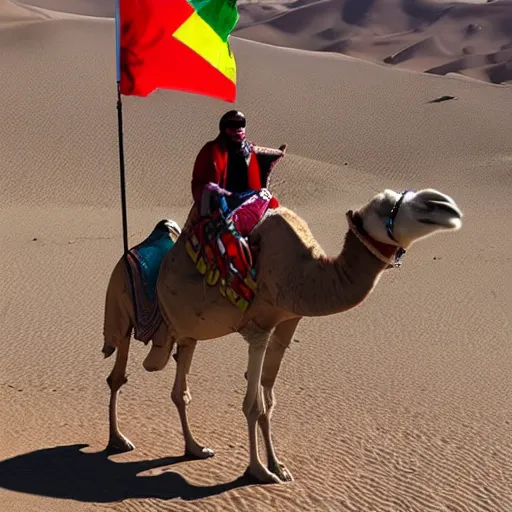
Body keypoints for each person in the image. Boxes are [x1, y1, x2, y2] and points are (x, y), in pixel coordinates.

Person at [190, 110, 286, 220]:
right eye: (233, 125)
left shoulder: (249, 150)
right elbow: (203, 184)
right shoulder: (212, 150)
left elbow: (257, 180)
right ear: (224, 127)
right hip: (220, 201)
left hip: (247, 199)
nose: (238, 129)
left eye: (241, 124)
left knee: (270, 203)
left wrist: (278, 153)